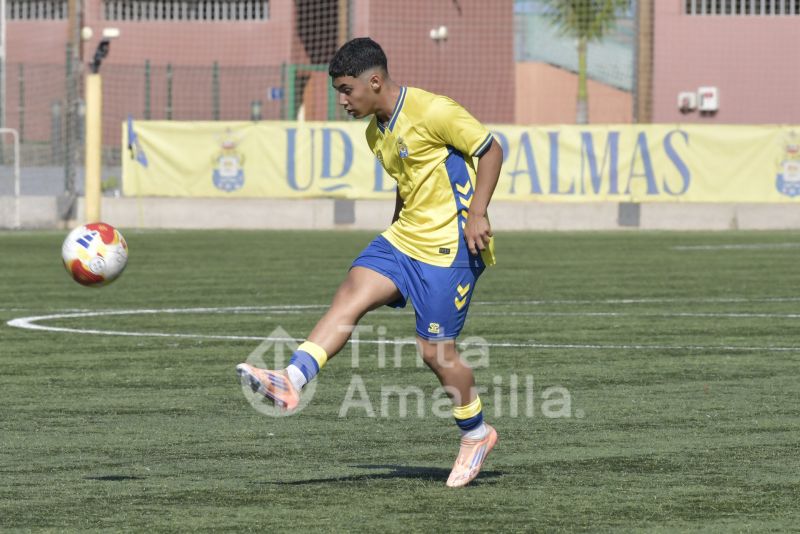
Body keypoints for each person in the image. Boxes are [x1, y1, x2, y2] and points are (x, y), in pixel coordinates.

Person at [237, 37, 503, 488]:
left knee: (436, 354)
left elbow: (491, 150)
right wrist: (393, 230)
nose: (342, 100)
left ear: (374, 81)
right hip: (402, 241)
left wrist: (477, 213)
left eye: (346, 90)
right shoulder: (375, 132)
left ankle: (476, 433)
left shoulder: (434, 111)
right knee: (350, 296)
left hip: (449, 250)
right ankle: (292, 378)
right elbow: (408, 179)